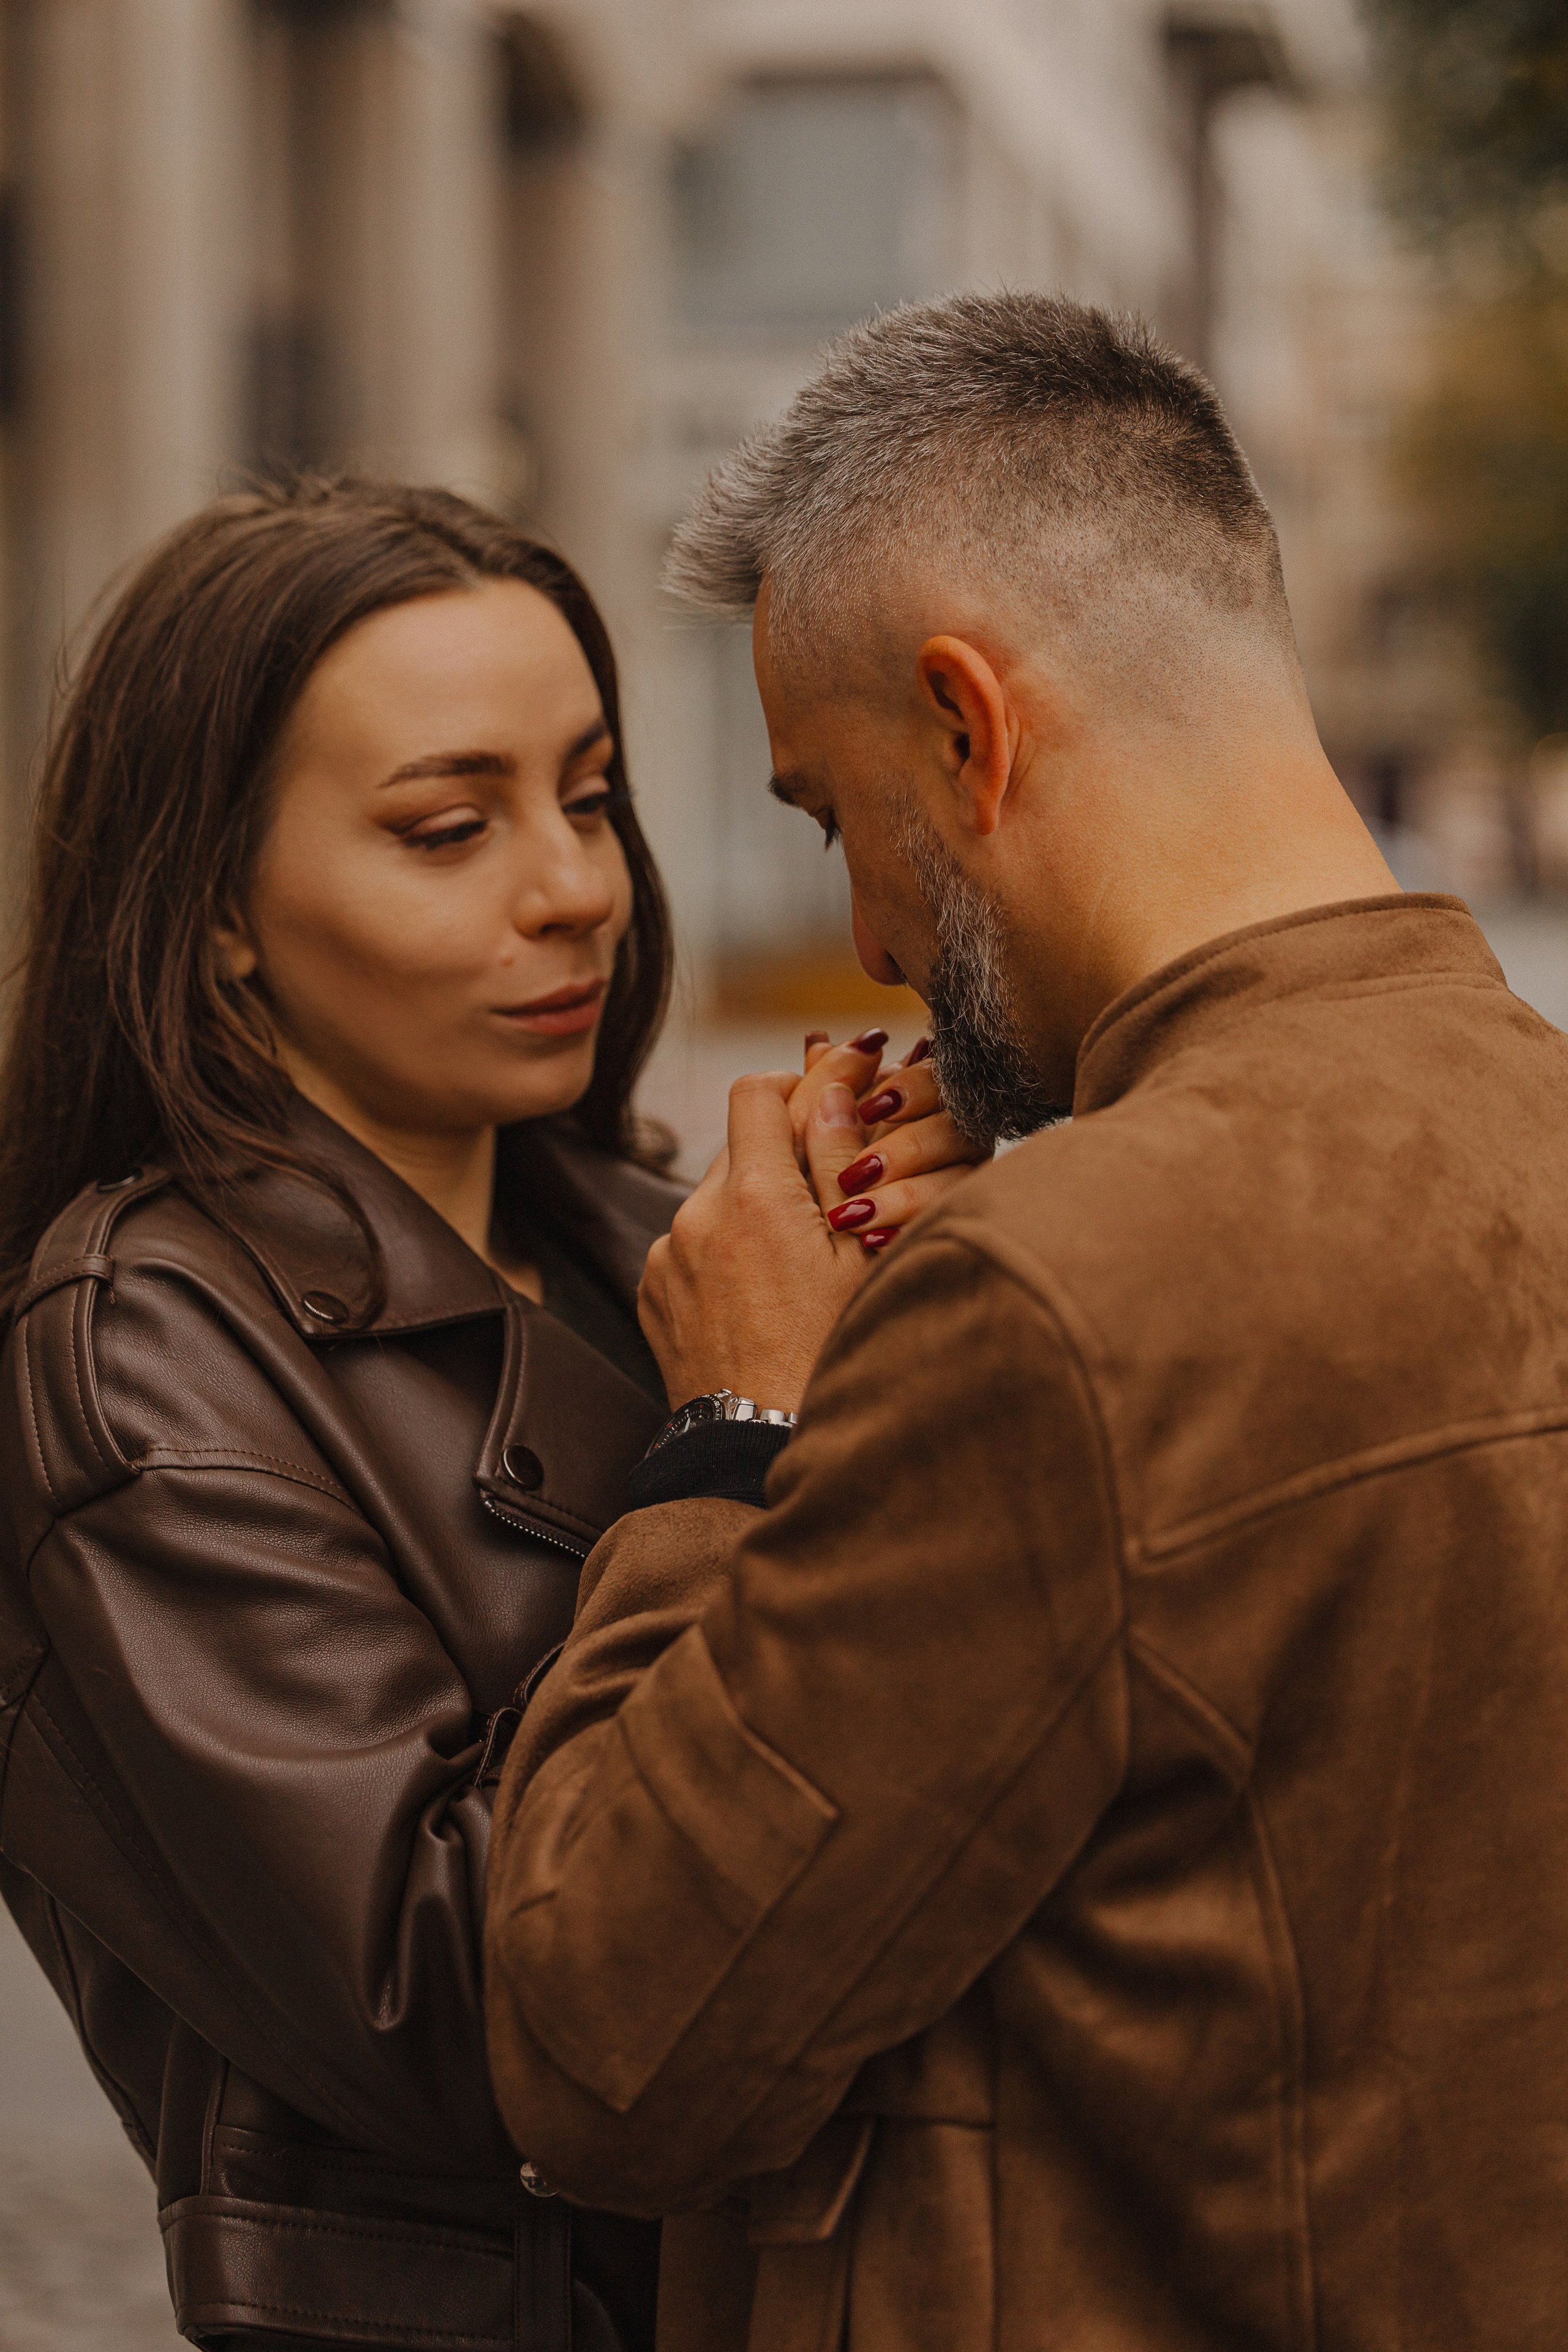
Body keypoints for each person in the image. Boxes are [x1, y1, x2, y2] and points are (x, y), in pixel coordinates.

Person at [482, 292, 1568, 2352]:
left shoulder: (1055, 1303)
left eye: (826, 813)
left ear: (970, 730)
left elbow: (609, 2036)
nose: (876, 942)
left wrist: (729, 1409)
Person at [0, 478, 980, 2352]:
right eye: (450, 827)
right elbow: (482, 2018)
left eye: (590, 794)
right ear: (213, 909)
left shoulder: (631, 1230)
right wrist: (738, 1425)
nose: (575, 886)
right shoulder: (134, 1364)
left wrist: (916, 1299)